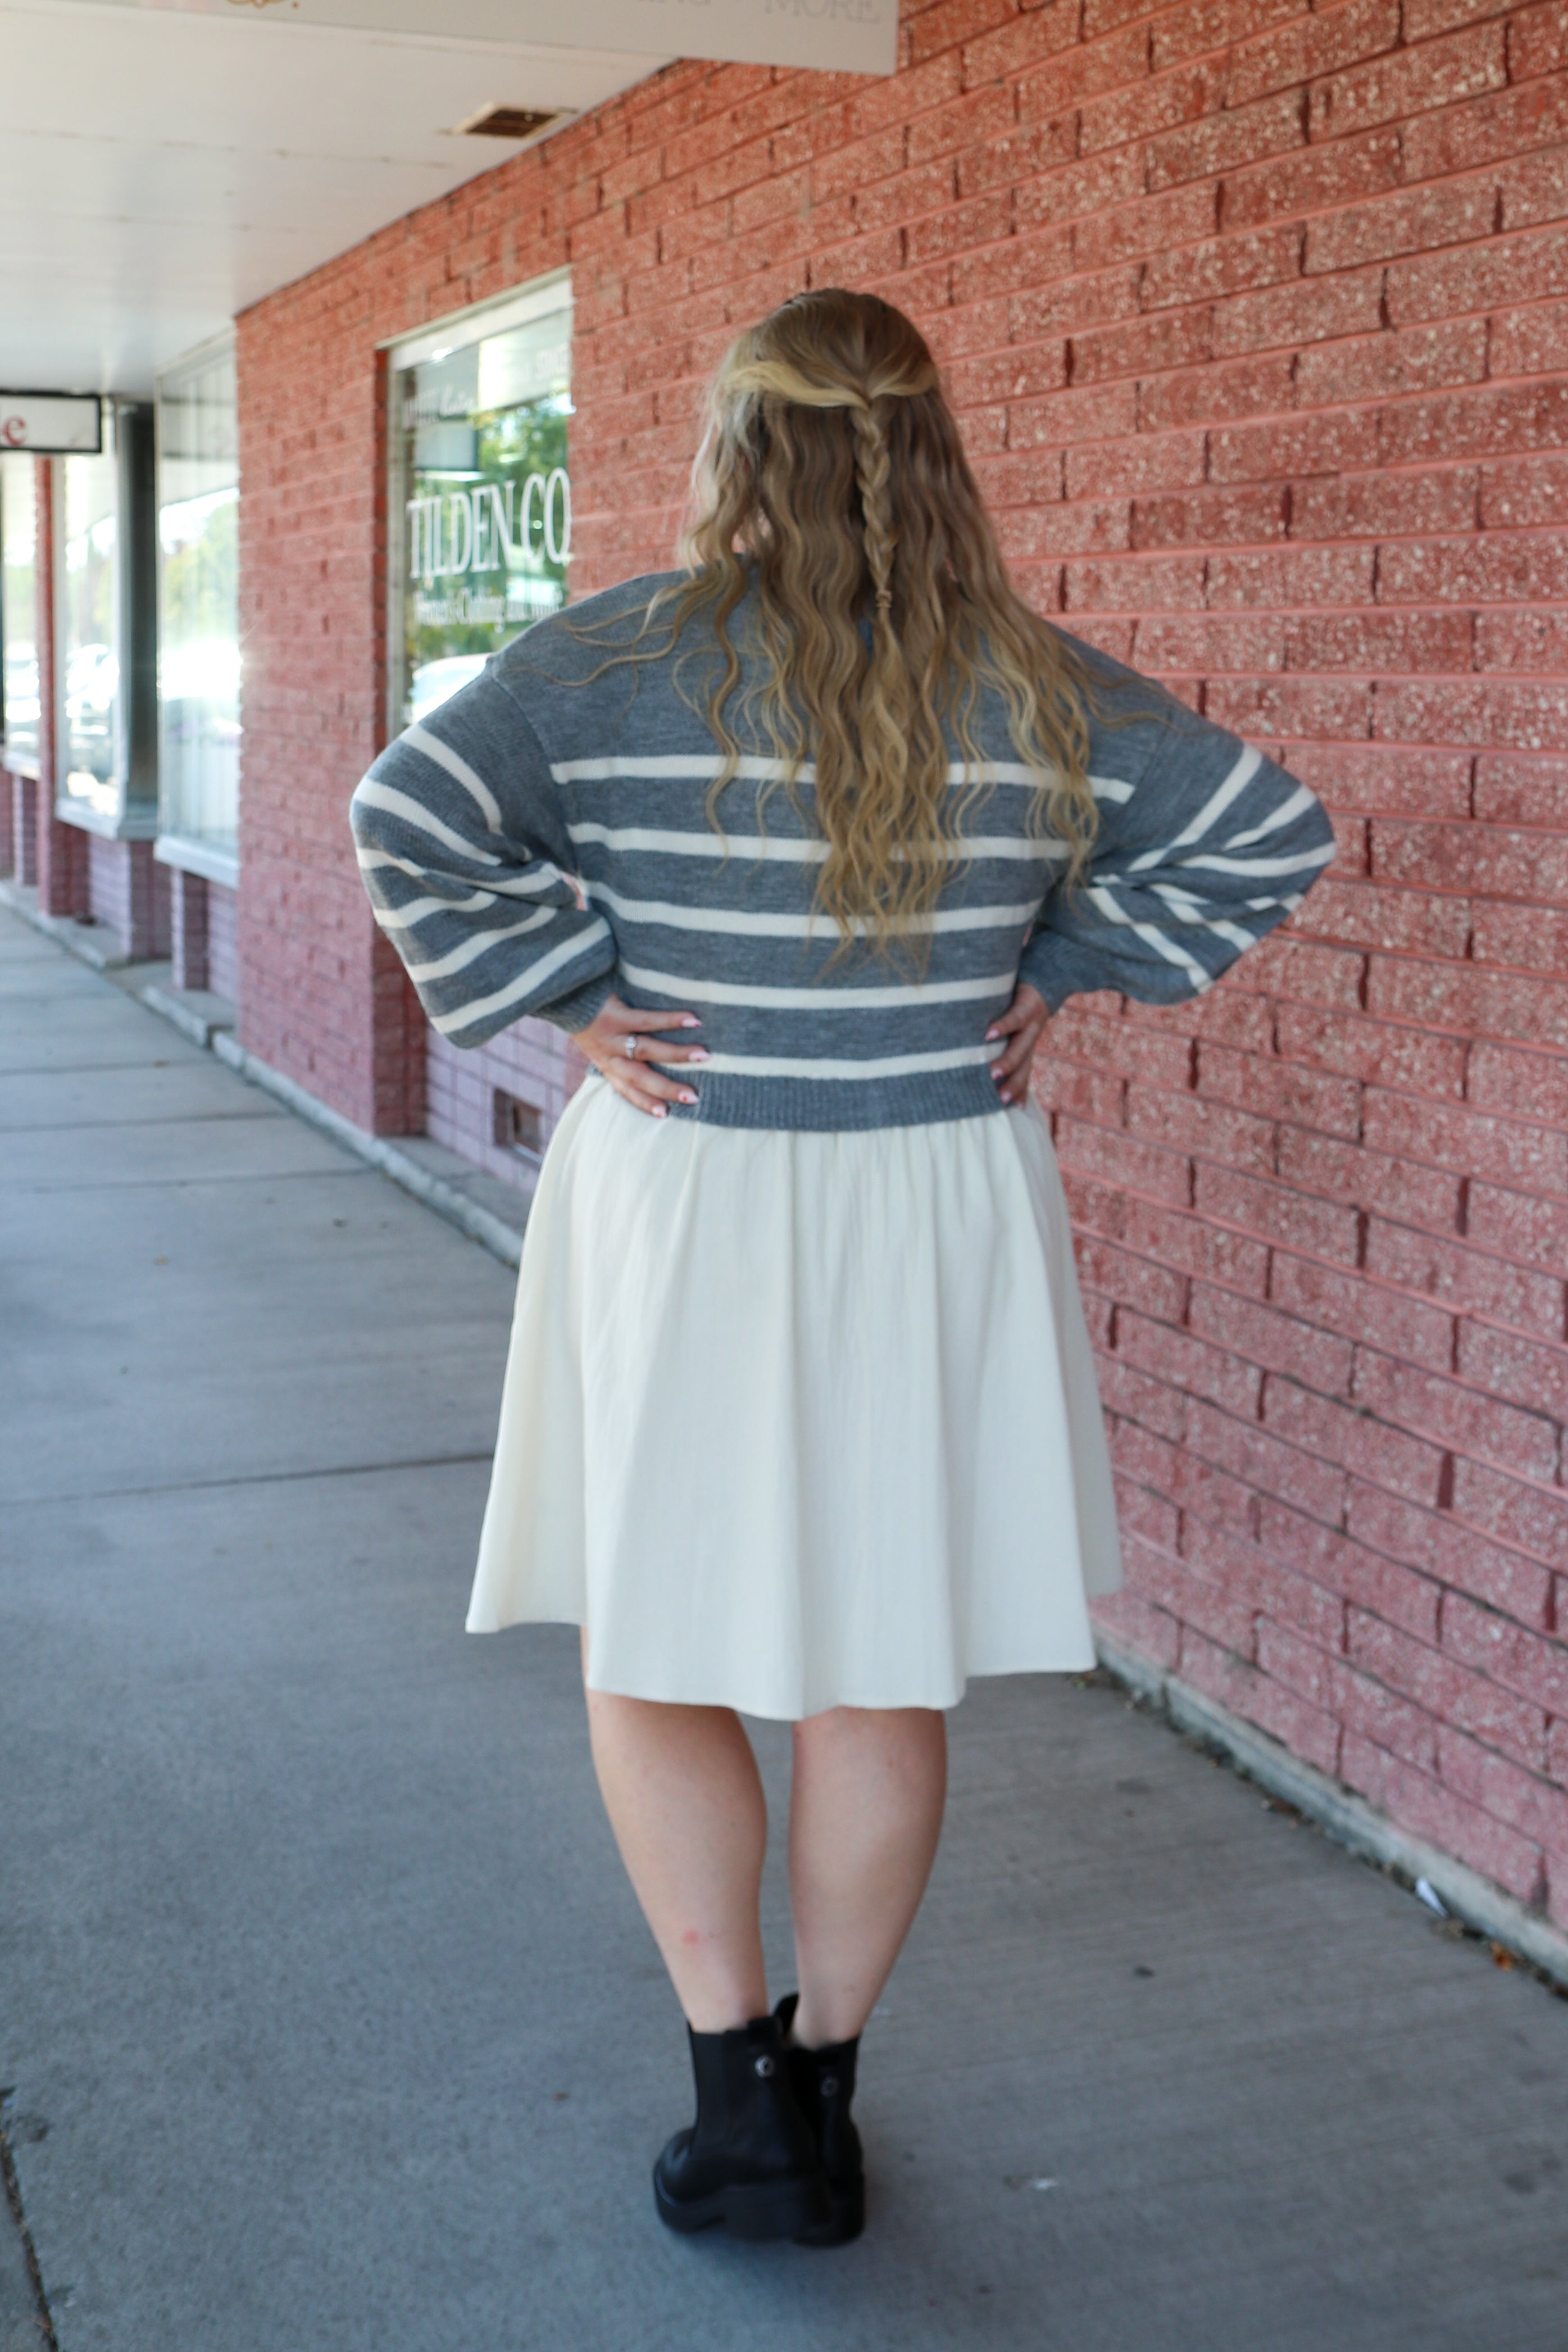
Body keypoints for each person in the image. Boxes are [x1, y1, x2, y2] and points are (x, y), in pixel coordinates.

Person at [351, 288, 1334, 2248]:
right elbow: (1264, 836)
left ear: (734, 444)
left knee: (658, 1639)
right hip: (926, 1201)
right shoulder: (1029, 676)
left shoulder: (614, 657)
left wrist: (572, 995)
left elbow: (407, 812)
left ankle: (737, 2105)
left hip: (692, 1195)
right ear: (930, 444)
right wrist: (1052, 963)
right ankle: (823, 2097)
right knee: (878, 1666)